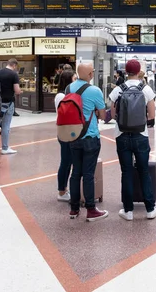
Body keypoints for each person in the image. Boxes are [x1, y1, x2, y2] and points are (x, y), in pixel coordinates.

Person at [110, 59, 156, 221]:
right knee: (144, 171)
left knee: (126, 172)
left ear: (125, 71)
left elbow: (113, 114)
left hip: (122, 135)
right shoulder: (146, 89)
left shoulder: (118, 89)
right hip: (141, 136)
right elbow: (152, 116)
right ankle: (150, 209)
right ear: (139, 72)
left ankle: (128, 211)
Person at [68, 63, 108, 221]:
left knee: (75, 173)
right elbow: (104, 116)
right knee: (88, 175)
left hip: (73, 135)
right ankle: (91, 209)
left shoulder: (68, 88)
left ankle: (74, 209)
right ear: (91, 74)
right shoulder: (94, 90)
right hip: (90, 137)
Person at [0, 59, 22, 155]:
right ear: (14, 65)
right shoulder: (14, 74)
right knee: (6, 126)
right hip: (8, 103)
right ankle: (5, 148)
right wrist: (19, 91)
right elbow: (16, 90)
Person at [54, 70, 76, 202]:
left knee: (71, 161)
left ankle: (66, 189)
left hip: (72, 131)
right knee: (66, 162)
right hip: (65, 131)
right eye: (74, 79)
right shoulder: (61, 96)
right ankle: (61, 191)